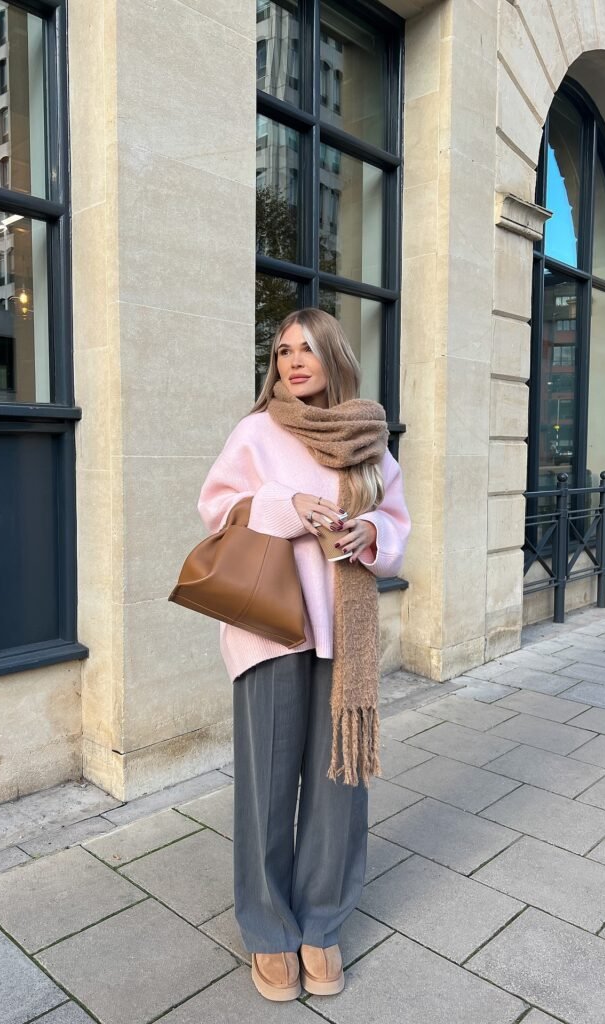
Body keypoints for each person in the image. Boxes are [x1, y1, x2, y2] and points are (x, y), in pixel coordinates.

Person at [197, 308, 411, 1002]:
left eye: (307, 349)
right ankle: (266, 928)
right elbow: (218, 508)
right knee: (265, 790)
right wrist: (289, 505)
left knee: (337, 789)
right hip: (271, 630)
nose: (292, 361)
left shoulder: (366, 436)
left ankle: (322, 921)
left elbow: (397, 524)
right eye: (283, 350)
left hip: (341, 641)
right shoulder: (256, 431)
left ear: (332, 357)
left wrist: (366, 531)